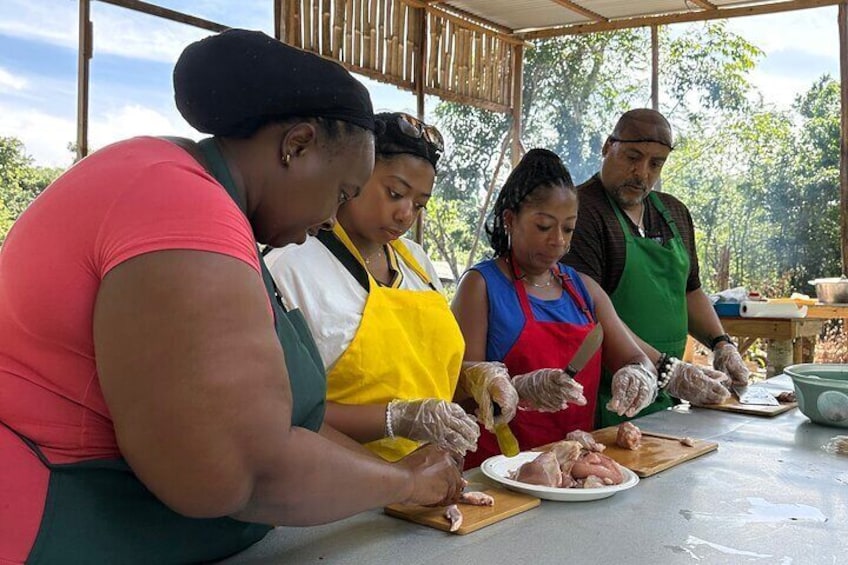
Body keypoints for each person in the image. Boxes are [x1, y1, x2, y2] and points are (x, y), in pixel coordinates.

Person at [0, 30, 463, 564]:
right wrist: (399, 485)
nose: (328, 220)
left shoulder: (194, 191)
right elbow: (234, 471)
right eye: (340, 193)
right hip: (58, 529)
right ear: (297, 145)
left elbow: (287, 427)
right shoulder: (182, 207)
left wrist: (397, 473)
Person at [453, 149, 729, 469]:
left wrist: (637, 374)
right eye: (544, 226)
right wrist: (517, 389)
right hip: (498, 470)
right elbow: (459, 391)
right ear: (510, 219)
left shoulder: (583, 289)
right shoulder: (480, 286)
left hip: (574, 469)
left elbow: (635, 357)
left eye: (568, 229)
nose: (558, 241)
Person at [265, 112, 509, 463]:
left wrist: (475, 380)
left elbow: (423, 375)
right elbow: (283, 412)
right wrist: (397, 420)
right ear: (354, 173)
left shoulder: (415, 261)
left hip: (432, 483)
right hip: (339, 489)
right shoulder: (292, 265)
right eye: (395, 193)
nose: (406, 215)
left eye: (420, 204)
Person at [563, 108, 747, 427]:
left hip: (668, 400)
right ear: (608, 147)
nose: (642, 173)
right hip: (608, 399)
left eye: (656, 163)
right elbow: (590, 314)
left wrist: (721, 344)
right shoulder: (580, 214)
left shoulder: (673, 213)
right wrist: (669, 371)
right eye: (633, 156)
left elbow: (690, 291)